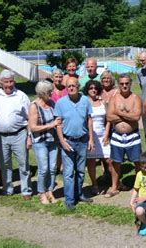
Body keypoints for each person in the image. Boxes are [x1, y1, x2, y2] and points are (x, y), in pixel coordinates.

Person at [0, 70, 33, 200]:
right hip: (0, 135)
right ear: (1, 82)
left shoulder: (21, 96)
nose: (9, 84)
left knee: (23, 164)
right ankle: (7, 189)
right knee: (4, 164)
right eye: (6, 81)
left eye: (11, 81)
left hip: (19, 134)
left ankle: (26, 190)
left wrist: (29, 136)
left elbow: (29, 118)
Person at [55, 77, 95, 209]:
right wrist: (62, 141)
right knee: (68, 173)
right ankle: (70, 199)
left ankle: (78, 194)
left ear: (78, 87)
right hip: (68, 141)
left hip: (82, 140)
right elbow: (58, 124)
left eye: (74, 86)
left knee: (80, 171)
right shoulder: (60, 103)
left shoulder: (85, 101)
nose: (71, 88)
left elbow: (89, 120)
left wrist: (91, 139)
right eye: (69, 86)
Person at [106, 73, 142, 197]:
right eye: (122, 84)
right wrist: (127, 115)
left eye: (127, 83)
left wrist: (119, 113)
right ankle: (114, 186)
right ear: (118, 84)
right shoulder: (114, 98)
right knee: (115, 162)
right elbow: (109, 116)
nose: (124, 86)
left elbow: (136, 116)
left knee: (137, 161)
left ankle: (139, 187)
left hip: (133, 135)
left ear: (130, 84)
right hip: (117, 136)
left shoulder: (135, 98)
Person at [28, 80, 61, 205]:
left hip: (53, 141)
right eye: (49, 92)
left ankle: (50, 191)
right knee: (44, 169)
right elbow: (33, 127)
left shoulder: (52, 103)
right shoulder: (34, 106)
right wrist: (51, 124)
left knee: (52, 168)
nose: (51, 93)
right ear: (42, 93)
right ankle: (42, 193)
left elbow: (57, 118)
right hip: (40, 142)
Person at [82, 80, 112, 195]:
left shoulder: (103, 102)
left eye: (95, 88)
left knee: (110, 160)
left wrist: (106, 134)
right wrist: (89, 137)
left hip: (103, 135)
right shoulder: (84, 102)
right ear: (87, 90)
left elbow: (108, 119)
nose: (93, 90)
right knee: (91, 162)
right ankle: (94, 184)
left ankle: (116, 183)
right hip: (90, 137)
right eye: (90, 88)